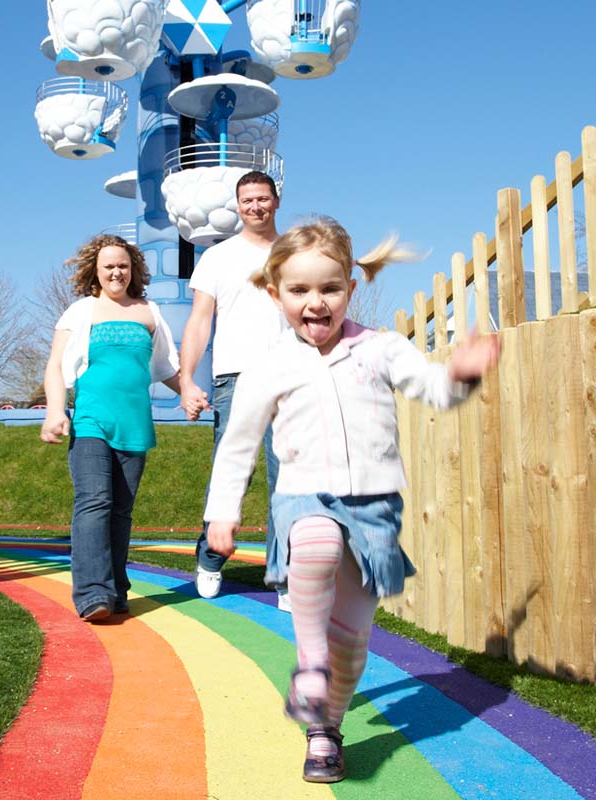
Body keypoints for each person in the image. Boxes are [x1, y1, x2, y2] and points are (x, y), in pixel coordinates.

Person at [203, 218, 501, 783]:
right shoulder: (270, 367)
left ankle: (325, 731)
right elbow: (239, 443)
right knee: (314, 544)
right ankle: (309, 664)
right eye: (299, 291)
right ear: (275, 293)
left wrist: (461, 374)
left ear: (350, 287)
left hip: (374, 510)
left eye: (329, 289)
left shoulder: (382, 349)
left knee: (353, 645)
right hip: (303, 496)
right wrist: (223, 509)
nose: (315, 303)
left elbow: (431, 388)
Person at [40, 234, 180, 622]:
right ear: (95, 272)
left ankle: (116, 590)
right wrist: (55, 411)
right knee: (94, 501)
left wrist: (190, 393)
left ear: (132, 269)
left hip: (134, 424)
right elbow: (55, 365)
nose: (116, 272)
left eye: (123, 265)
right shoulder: (80, 311)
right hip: (90, 421)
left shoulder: (149, 311)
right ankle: (91, 594)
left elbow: (167, 366)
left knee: (120, 511)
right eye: (108, 266)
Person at [180, 170, 288, 607]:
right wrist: (187, 380)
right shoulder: (218, 258)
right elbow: (200, 321)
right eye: (247, 201)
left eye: (263, 199)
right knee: (232, 477)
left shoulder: (296, 252)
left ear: (276, 201)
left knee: (291, 481)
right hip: (236, 380)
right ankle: (210, 557)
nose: (255, 207)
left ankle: (284, 575)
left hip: (292, 377)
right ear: (237, 206)